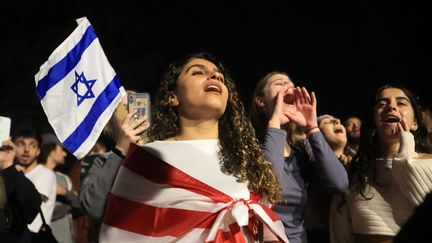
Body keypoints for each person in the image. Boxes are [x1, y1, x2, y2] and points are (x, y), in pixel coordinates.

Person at [99, 52, 289, 242]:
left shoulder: (246, 161)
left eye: (219, 75)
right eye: (198, 72)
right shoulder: (149, 159)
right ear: (173, 97)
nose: (215, 76)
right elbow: (122, 233)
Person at [249, 71, 349, 243]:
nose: (288, 86)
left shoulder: (302, 151)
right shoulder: (247, 148)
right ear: (261, 102)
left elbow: (339, 183)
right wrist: (275, 122)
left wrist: (312, 128)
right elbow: (267, 188)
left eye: (290, 84)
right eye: (279, 84)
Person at [330, 84, 432, 243]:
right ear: (373, 120)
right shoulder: (355, 174)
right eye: (381, 104)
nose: (391, 106)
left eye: (401, 103)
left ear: (415, 123)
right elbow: (340, 234)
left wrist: (405, 145)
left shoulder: (430, 163)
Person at [12, 127, 57, 234]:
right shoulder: (10, 172)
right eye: (21, 144)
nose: (27, 150)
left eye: (32, 145)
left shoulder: (45, 174)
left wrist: (12, 174)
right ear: (12, 146)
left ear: (38, 151)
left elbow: (28, 204)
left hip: (32, 236)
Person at [38, 133, 81, 243]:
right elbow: (37, 215)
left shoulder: (63, 178)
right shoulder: (34, 175)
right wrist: (67, 208)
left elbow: (79, 205)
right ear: (51, 150)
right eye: (61, 149)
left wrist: (65, 192)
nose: (65, 154)